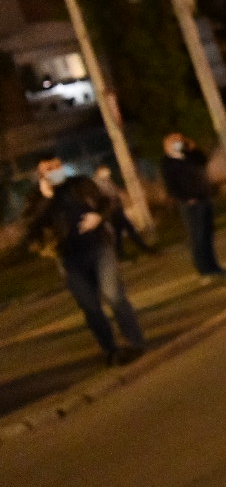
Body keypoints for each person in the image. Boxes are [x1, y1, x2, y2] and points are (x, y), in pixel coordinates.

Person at [23, 155, 146, 366]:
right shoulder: (37, 198)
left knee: (114, 296)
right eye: (48, 169)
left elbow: (106, 203)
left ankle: (135, 342)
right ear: (41, 174)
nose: (54, 170)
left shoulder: (80, 183)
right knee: (90, 307)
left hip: (99, 247)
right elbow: (32, 227)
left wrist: (99, 216)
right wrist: (46, 198)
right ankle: (110, 350)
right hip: (70, 258)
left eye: (57, 166)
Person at [161, 133, 225, 277]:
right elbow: (171, 186)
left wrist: (194, 148)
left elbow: (203, 161)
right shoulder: (168, 162)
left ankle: (213, 265)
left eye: (180, 141)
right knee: (197, 236)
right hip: (190, 203)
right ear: (167, 145)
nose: (179, 143)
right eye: (175, 142)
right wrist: (186, 198)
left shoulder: (189, 156)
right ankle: (204, 268)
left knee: (208, 234)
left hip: (204, 197)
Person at [92, 163, 154, 258]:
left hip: (115, 209)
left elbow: (115, 191)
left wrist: (120, 195)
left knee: (118, 233)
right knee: (128, 229)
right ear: (100, 171)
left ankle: (121, 254)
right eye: (106, 171)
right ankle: (144, 248)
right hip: (112, 211)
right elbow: (107, 196)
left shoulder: (106, 180)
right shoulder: (97, 183)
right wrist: (116, 197)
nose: (108, 173)